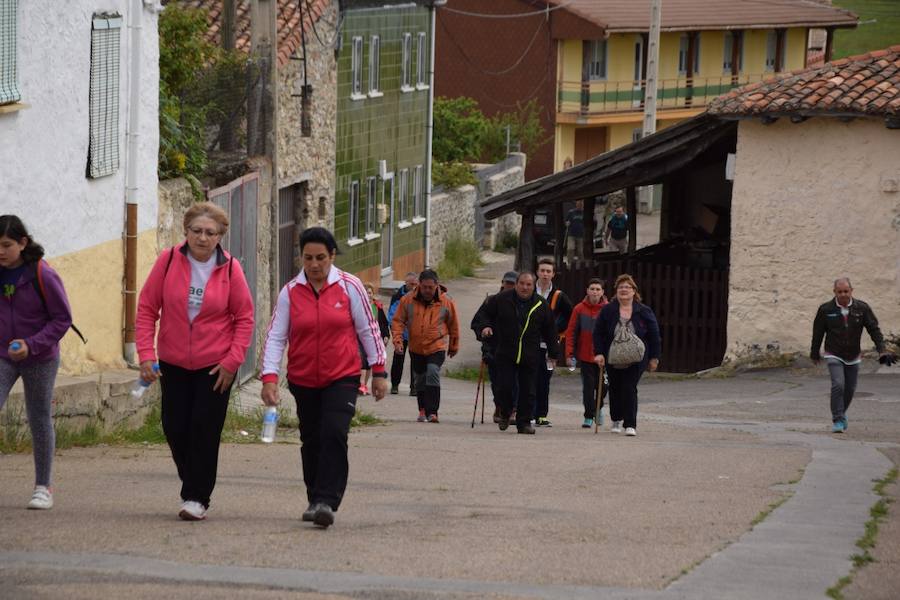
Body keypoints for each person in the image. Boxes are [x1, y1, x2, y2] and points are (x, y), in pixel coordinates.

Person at [260, 227, 387, 529]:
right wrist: (269, 377)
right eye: (308, 258)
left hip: (342, 375)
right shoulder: (291, 291)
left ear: (332, 256)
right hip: (303, 378)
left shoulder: (350, 286)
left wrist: (379, 371)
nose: (314, 264)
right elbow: (276, 336)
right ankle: (314, 498)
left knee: (334, 432)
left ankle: (327, 500)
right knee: (312, 439)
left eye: (320, 258)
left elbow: (368, 329)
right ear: (301, 258)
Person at [136, 202, 255, 521]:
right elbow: (147, 309)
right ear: (186, 231)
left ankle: (196, 497)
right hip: (173, 362)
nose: (203, 238)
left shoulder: (230, 269)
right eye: (197, 231)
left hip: (215, 365)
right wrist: (146, 354)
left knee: (204, 429)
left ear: (220, 237)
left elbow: (244, 317)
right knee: (174, 427)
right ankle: (194, 481)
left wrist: (233, 361)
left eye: (210, 233)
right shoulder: (167, 261)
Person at [0, 215, 73, 510]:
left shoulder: (42, 274)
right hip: (2, 355)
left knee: (39, 417)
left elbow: (62, 319)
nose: (1, 251)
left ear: (22, 243)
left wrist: (31, 344)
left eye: (6, 245)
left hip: (40, 357)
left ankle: (43, 487)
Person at [480, 272, 560, 434]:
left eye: (528, 284)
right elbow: (484, 315)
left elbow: (550, 330)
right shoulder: (501, 299)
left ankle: (524, 423)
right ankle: (505, 412)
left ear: (533, 286)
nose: (525, 287)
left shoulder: (541, 304)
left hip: (530, 353)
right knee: (505, 386)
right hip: (506, 351)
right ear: (516, 284)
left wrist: (553, 353)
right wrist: (485, 326)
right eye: (522, 284)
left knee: (528, 390)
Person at [810, 277, 893, 433]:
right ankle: (837, 420)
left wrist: (882, 349)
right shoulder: (825, 309)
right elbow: (818, 332)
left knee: (850, 389)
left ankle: (841, 414)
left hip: (853, 355)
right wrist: (814, 353)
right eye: (839, 292)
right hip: (833, 353)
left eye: (846, 291)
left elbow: (874, 329)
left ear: (851, 291)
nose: (843, 294)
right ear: (834, 292)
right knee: (838, 384)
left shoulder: (862, 308)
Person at [592, 274, 660, 437]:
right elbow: (598, 332)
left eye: (627, 287)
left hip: (636, 357)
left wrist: (654, 357)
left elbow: (654, 334)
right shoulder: (608, 310)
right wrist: (599, 353)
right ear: (616, 291)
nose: (624, 290)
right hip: (613, 356)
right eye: (621, 287)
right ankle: (616, 419)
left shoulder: (643, 311)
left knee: (629, 387)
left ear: (634, 291)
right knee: (615, 387)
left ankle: (630, 424)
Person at [391, 270, 459, 423]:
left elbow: (453, 324)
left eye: (430, 287)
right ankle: (422, 409)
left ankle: (433, 412)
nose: (427, 290)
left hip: (437, 345)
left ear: (437, 285)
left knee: (433, 371)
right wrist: (398, 341)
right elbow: (398, 321)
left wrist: (454, 345)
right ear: (419, 285)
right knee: (420, 378)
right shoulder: (407, 300)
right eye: (424, 287)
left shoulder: (446, 301)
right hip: (416, 347)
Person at [471, 271, 517, 423]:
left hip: (514, 350)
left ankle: (513, 409)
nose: (509, 286)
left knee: (514, 381)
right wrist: (484, 330)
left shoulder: (521, 303)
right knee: (497, 382)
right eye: (507, 283)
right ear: (502, 283)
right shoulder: (491, 301)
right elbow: (477, 322)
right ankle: (500, 406)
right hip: (493, 349)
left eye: (512, 283)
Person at [533, 258, 572, 427]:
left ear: (553, 274)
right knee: (527, 378)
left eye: (548, 271)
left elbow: (570, 316)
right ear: (537, 272)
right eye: (542, 270)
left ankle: (541, 415)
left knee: (544, 380)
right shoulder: (528, 290)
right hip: (528, 343)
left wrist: (555, 328)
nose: (545, 274)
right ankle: (526, 413)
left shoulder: (558, 296)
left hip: (549, 345)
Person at [565, 278, 609, 428]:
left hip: (604, 356)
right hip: (585, 355)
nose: (595, 292)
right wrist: (569, 354)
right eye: (592, 289)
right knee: (588, 388)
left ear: (602, 292)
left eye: (598, 289)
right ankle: (588, 416)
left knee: (603, 387)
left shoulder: (608, 309)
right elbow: (571, 332)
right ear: (587, 291)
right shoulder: (579, 309)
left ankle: (598, 408)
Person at [387, 272, 418, 395]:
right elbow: (392, 315)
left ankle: (414, 387)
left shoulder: (420, 296)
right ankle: (395, 385)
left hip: (415, 334)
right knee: (398, 359)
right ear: (406, 283)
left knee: (416, 361)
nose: (414, 287)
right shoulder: (398, 295)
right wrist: (395, 331)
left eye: (416, 284)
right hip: (401, 333)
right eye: (412, 284)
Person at [359, 283, 390, 396]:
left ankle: (364, 384)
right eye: (366, 292)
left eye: (370, 293)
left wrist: (386, 335)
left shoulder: (377, 307)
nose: (368, 295)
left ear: (373, 294)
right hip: (360, 336)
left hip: (373, 337)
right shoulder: (358, 305)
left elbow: (383, 323)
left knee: (368, 363)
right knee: (362, 360)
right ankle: (361, 384)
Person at [565, 200, 585, 265]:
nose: (580, 206)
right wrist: (567, 223)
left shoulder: (584, 213)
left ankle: (581, 264)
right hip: (571, 234)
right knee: (570, 249)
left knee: (580, 251)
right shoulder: (571, 212)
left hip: (581, 235)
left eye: (581, 205)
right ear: (576, 205)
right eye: (578, 204)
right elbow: (566, 221)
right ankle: (570, 263)